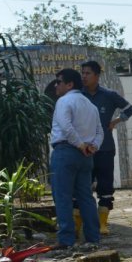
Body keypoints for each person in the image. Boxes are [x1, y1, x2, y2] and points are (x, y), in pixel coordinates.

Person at [78, 60, 132, 235]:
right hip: (84, 150)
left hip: (105, 149)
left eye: (88, 73)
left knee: (105, 187)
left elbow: (129, 109)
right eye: (83, 73)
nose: (84, 76)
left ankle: (103, 224)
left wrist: (116, 121)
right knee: (82, 187)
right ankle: (78, 225)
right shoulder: (79, 96)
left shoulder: (109, 95)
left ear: (97, 75)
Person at [50, 68, 103, 249]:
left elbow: (66, 126)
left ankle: (66, 239)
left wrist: (79, 144)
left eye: (59, 82)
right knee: (86, 197)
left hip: (66, 150)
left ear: (69, 84)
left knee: (62, 196)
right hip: (86, 155)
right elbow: (99, 132)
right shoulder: (90, 105)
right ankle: (93, 237)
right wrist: (92, 147)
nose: (56, 86)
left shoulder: (64, 101)